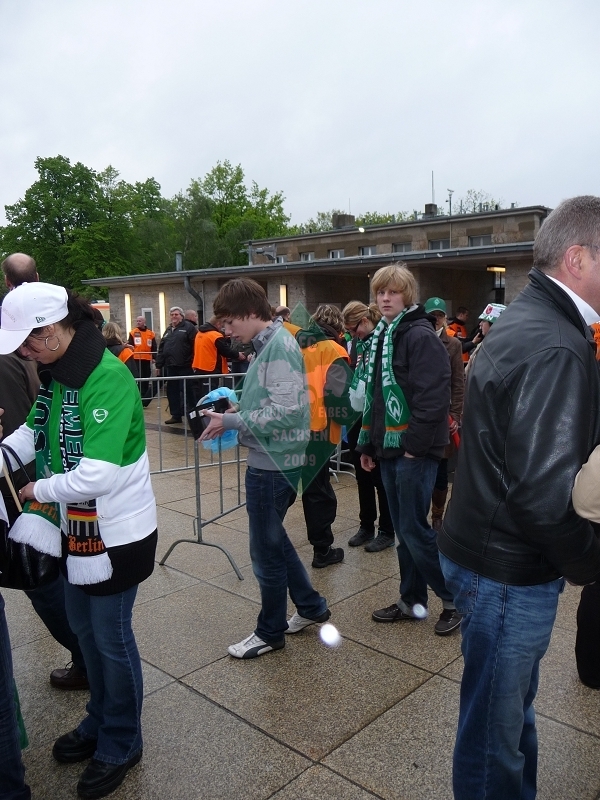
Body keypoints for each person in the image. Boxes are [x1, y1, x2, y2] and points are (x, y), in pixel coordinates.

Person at [438, 195, 600, 800]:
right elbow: (543, 496)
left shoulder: (528, 319)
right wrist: (589, 561)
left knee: (504, 715)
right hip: (507, 567)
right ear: (577, 258)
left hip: (487, 551)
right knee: (494, 734)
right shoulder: (555, 342)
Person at [0, 282, 157, 799]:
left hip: (116, 533)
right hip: (75, 530)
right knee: (86, 634)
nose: (24, 353)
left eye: (28, 342)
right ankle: (99, 718)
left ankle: (122, 738)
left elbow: (98, 474)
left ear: (53, 330)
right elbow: (33, 431)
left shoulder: (106, 377)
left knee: (111, 639)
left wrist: (36, 489)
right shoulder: (59, 373)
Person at [201, 278, 330, 659]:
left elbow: (288, 411)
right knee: (275, 541)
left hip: (271, 463)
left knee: (266, 552)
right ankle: (310, 606)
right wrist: (239, 409)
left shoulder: (276, 347)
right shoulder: (272, 343)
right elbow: (279, 401)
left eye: (229, 322)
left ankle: (270, 632)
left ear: (249, 313)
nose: (227, 331)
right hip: (276, 459)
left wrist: (232, 421)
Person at [355, 264, 461, 636]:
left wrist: (414, 448)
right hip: (389, 448)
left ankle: (455, 599)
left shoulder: (418, 335)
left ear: (407, 295)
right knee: (405, 530)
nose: (385, 298)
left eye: (393, 292)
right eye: (380, 292)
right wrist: (368, 445)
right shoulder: (385, 335)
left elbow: (434, 397)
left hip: (413, 451)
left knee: (414, 530)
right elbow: (377, 398)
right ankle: (412, 601)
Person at [294, 304, 355, 568]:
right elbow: (338, 395)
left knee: (288, 487)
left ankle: (268, 538)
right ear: (338, 326)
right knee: (317, 490)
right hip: (319, 430)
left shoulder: (295, 345)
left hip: (292, 427)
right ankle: (322, 550)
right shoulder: (334, 350)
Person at [342, 301, 395, 552]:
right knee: (361, 474)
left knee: (379, 477)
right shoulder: (360, 343)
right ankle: (366, 524)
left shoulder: (383, 340)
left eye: (354, 329)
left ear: (364, 321)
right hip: (358, 413)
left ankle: (387, 529)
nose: (353, 335)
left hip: (377, 416)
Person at [422, 298, 464, 532]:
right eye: (432, 315)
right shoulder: (418, 338)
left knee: (440, 468)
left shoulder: (453, 344)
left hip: (443, 414)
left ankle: (437, 515)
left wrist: (455, 414)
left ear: (445, 318)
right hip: (421, 414)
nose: (435, 319)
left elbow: (458, 381)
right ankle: (420, 513)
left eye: (439, 315)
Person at [155, 306, 197, 424]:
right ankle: (176, 415)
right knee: (172, 392)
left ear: (181, 316)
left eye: (176, 314)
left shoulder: (189, 328)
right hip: (171, 366)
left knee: (189, 391)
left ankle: (193, 415)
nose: (174, 316)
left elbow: (195, 345)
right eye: (172, 314)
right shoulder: (168, 330)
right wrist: (158, 365)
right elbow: (162, 348)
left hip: (185, 366)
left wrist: (194, 362)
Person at [191, 316, 245, 401]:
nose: (223, 327)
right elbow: (225, 350)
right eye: (223, 325)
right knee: (210, 394)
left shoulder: (200, 333)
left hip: (199, 367)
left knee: (201, 395)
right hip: (210, 369)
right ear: (218, 324)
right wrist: (238, 355)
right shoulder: (215, 335)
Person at [463, 302, 506, 377]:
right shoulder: (484, 344)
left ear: (493, 324)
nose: (480, 324)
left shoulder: (499, 348)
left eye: (484, 321)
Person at [128, 316, 157, 404]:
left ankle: (145, 396)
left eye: (140, 321)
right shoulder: (133, 332)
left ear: (144, 322)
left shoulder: (151, 333)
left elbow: (154, 346)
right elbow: (130, 345)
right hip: (137, 358)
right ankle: (139, 395)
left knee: (146, 376)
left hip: (147, 359)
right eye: (137, 321)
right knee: (139, 376)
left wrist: (154, 357)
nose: (138, 322)